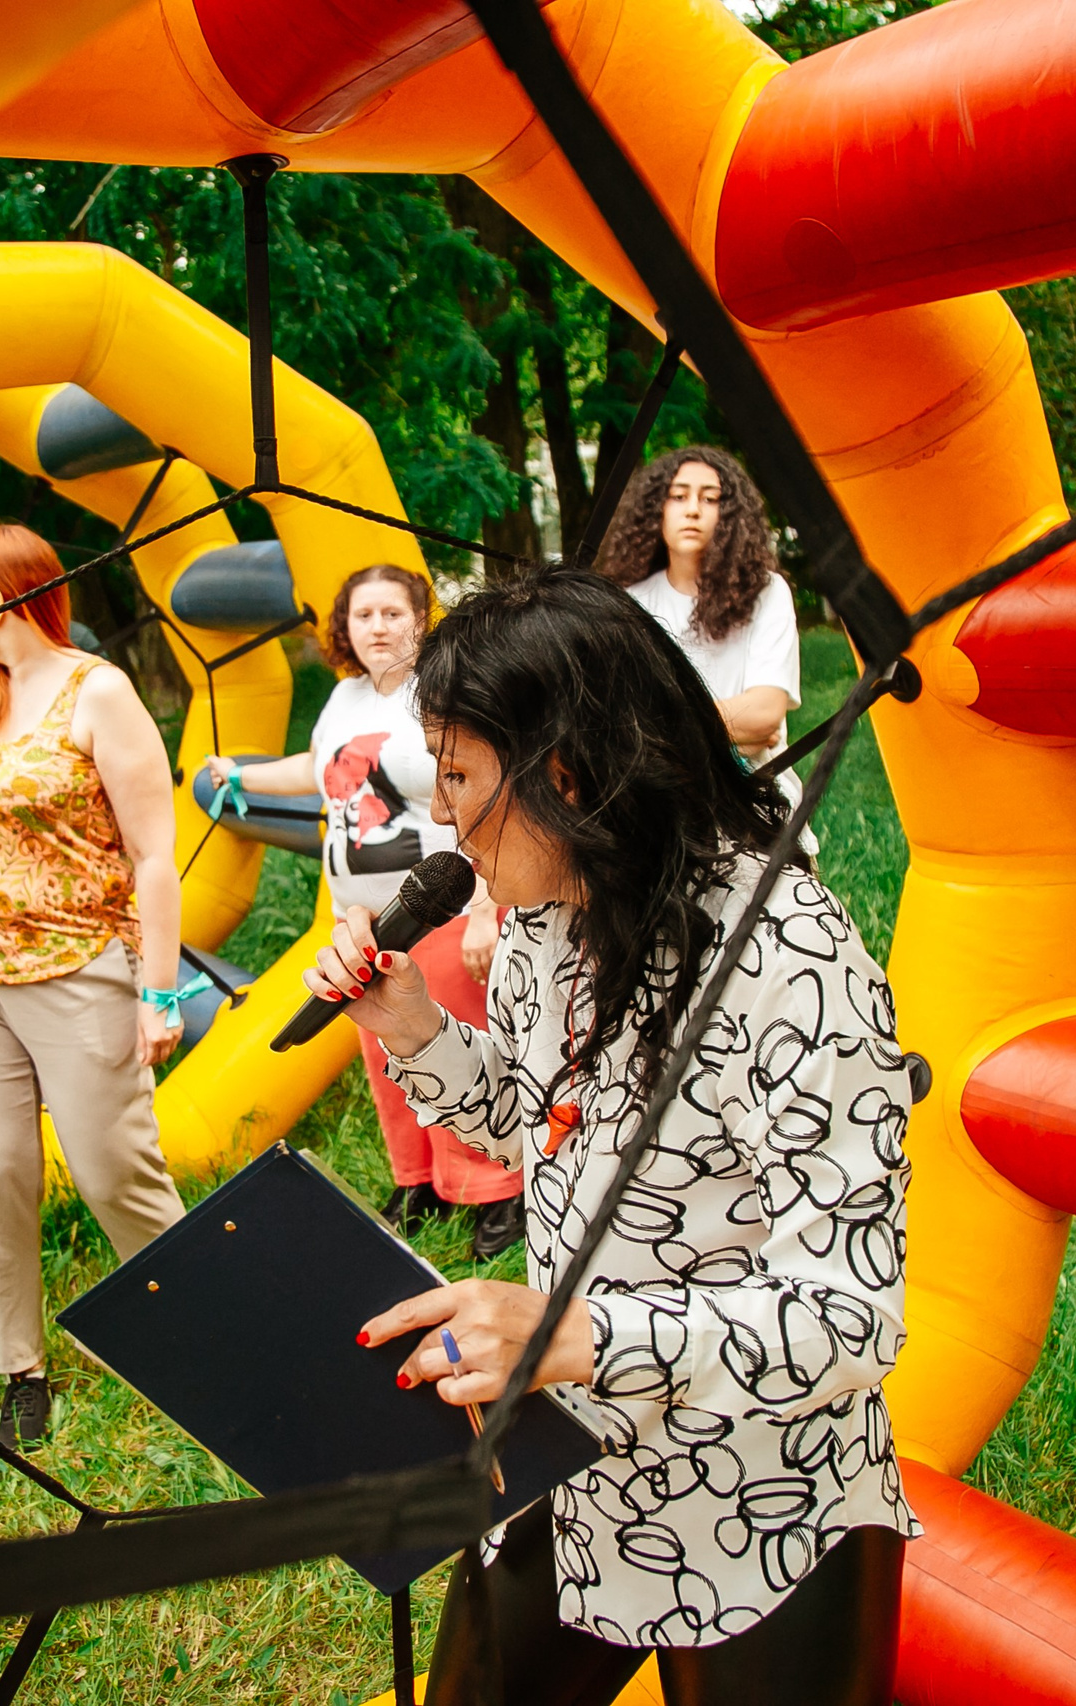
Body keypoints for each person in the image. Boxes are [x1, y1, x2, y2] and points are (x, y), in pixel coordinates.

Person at [308, 571, 914, 1705]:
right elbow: (537, 1125)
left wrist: (578, 1332)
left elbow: (849, 1321)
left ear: (568, 774)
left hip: (759, 1498)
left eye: (458, 776)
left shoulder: (789, 957)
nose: (442, 819)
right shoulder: (545, 917)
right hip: (565, 1461)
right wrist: (415, 1028)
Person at [0, 523, 188, 1449]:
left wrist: (159, 991)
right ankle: (18, 1368)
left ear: (2, 595)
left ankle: (204, 1333)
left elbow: (155, 856)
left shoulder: (101, 693)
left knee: (113, 1168)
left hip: (75, 967)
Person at [201, 564, 522, 1258]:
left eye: (393, 613)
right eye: (363, 614)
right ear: (344, 627)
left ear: (421, 621)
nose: (378, 627)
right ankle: (418, 1182)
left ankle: (496, 1193)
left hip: (441, 909)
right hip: (360, 920)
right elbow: (315, 769)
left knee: (450, 1043)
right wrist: (241, 773)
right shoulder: (344, 698)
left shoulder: (443, 692)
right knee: (385, 1055)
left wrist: (486, 911)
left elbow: (487, 797)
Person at [596, 446, 802, 772]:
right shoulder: (629, 604)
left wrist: (659, 726)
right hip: (665, 792)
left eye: (710, 499)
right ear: (656, 509)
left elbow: (764, 714)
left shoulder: (766, 591)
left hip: (757, 789)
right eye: (678, 497)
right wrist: (734, 733)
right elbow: (619, 728)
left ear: (731, 514)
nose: (692, 510)